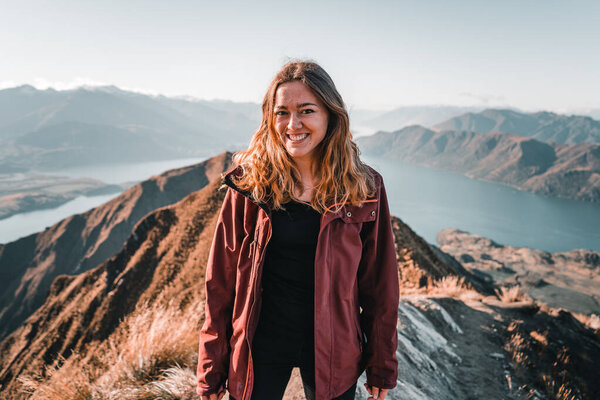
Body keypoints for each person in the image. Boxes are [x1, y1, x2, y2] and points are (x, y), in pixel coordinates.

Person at [196, 60, 399, 400]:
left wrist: (382, 363)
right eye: (282, 113)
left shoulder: (363, 187)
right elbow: (220, 282)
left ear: (330, 115)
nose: (293, 124)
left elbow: (380, 283)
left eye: (306, 110)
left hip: (335, 348)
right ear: (269, 118)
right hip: (259, 345)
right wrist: (210, 368)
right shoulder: (250, 186)